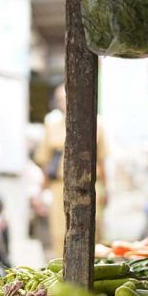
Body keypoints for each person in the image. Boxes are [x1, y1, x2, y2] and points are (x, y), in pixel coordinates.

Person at [34, 83, 108, 257]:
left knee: (91, 233)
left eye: (66, 98)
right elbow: (44, 161)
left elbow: (102, 160)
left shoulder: (97, 124)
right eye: (60, 99)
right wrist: (40, 193)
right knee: (61, 235)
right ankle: (63, 278)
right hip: (59, 187)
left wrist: (106, 189)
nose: (64, 102)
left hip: (89, 185)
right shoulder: (51, 125)